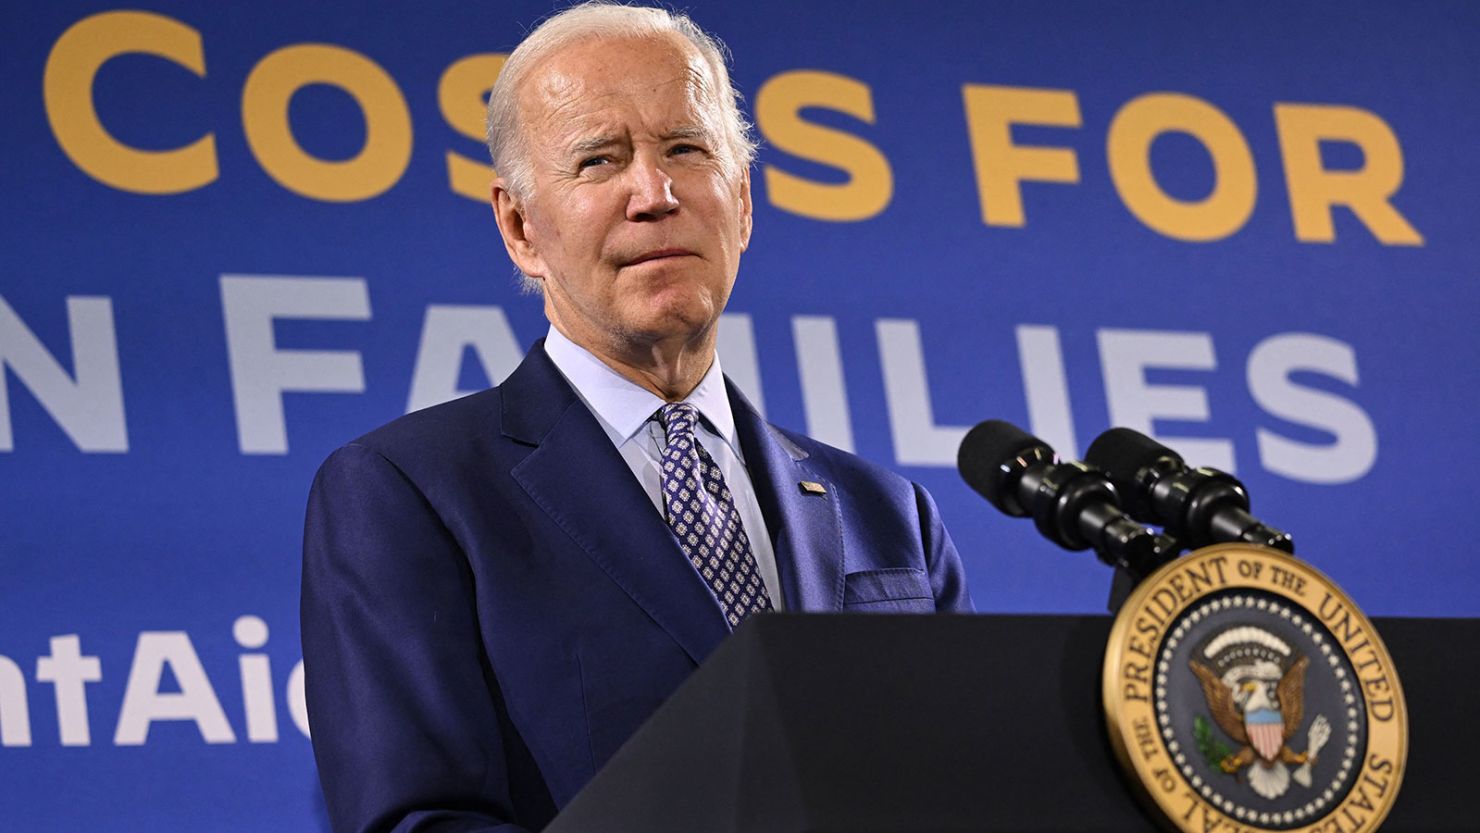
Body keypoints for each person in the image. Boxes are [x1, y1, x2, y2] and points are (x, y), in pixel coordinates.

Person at [300, 3, 973, 831]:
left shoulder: (890, 515)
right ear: (520, 228)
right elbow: (421, 820)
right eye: (598, 160)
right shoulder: (409, 494)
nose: (653, 194)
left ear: (744, 200)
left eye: (687, 149)